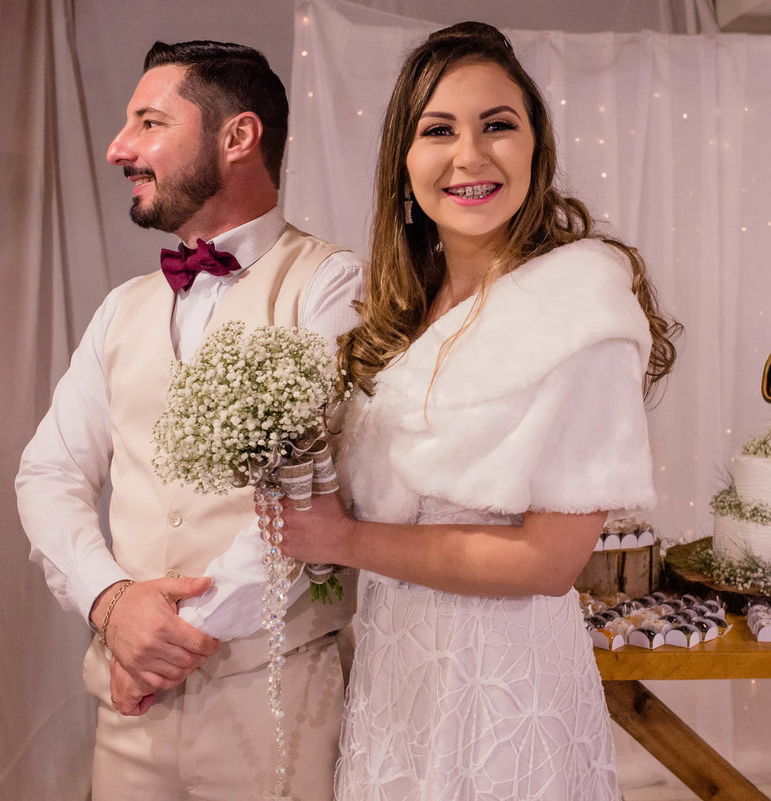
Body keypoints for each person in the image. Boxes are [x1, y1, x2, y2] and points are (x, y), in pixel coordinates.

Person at [278, 21, 680, 801]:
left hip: (503, 689)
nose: (470, 155)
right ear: (405, 162)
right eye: (439, 131)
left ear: (537, 149)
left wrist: (346, 537)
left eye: (499, 125)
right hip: (396, 677)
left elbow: (548, 559)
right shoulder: (400, 320)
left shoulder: (579, 310)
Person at [15, 40, 359, 801]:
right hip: (130, 715)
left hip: (275, 713)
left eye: (148, 123)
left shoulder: (329, 284)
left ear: (237, 137)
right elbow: (48, 472)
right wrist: (112, 603)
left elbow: (328, 490)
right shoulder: (120, 309)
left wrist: (170, 640)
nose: (118, 149)